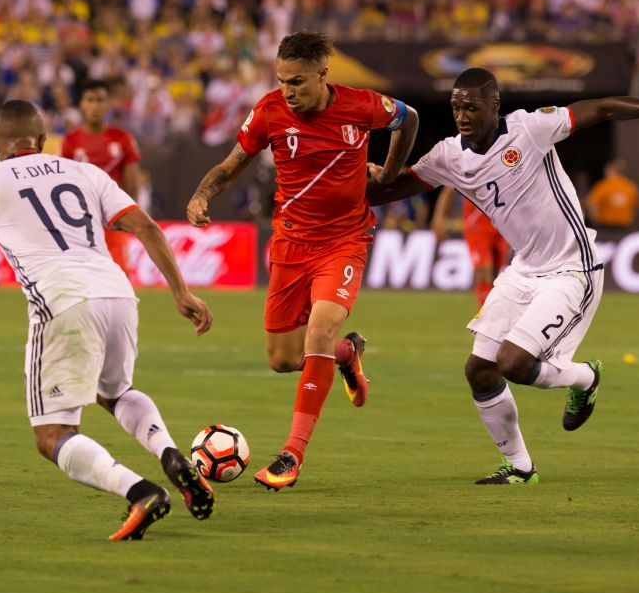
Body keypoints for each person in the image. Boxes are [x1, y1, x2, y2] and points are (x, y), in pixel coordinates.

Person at [368, 68, 639, 484]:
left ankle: (586, 377)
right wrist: (343, 183)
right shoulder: (447, 156)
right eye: (456, 108)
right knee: (479, 370)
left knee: (513, 362)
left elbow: (599, 108)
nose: (462, 116)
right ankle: (520, 467)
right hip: (524, 270)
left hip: (572, 269)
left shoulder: (530, 128)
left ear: (495, 106)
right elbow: (393, 188)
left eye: (471, 107)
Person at [0, 100, 214, 540]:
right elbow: (147, 227)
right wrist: (181, 291)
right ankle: (170, 454)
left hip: (62, 300)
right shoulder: (83, 171)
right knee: (116, 391)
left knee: (52, 435)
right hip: (117, 291)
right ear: (44, 141)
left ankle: (140, 490)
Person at [185, 31, 419, 491]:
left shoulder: (363, 105)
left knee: (319, 330)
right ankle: (347, 354)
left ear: (322, 75)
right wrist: (200, 193)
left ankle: (291, 455)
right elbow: (231, 164)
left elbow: (409, 119)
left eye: (297, 81)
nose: (288, 90)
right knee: (282, 359)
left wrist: (390, 172)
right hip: (291, 246)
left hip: (345, 241)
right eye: (282, 80)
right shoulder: (269, 111)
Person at [61, 79, 142, 275]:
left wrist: (131, 217)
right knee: (85, 278)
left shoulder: (122, 139)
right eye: (90, 100)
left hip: (113, 219)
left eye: (100, 100)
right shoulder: (70, 142)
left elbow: (132, 182)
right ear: (81, 104)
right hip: (81, 222)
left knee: (120, 275)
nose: (95, 106)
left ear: (107, 104)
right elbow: (63, 184)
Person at [431, 185, 511, 306]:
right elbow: (448, 189)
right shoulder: (469, 166)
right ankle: (486, 315)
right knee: (484, 271)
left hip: (501, 225)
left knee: (495, 276)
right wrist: (439, 218)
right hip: (477, 227)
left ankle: (491, 313)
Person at [583, 158, 639, 229]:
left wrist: (595, 220)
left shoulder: (603, 185)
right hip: (625, 226)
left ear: (610, 170)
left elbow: (591, 203)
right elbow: (636, 206)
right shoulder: (631, 187)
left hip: (605, 226)